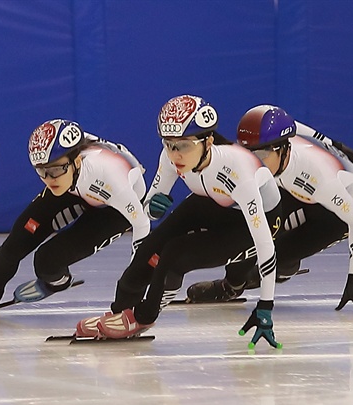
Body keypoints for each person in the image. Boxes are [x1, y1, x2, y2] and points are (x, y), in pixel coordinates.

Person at [80, 94, 283, 348]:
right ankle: (120, 310)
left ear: (208, 141)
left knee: (174, 254)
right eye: (169, 144)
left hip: (255, 219)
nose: (175, 154)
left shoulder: (239, 171)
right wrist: (153, 208)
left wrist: (266, 306)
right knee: (148, 249)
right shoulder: (170, 158)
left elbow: (265, 243)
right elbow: (151, 206)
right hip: (210, 201)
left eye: (184, 145)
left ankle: (144, 317)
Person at [185, 105, 353, 312]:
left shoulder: (318, 178)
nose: (253, 161)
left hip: (340, 209)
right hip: (298, 189)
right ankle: (233, 284)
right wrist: (338, 145)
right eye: (247, 153)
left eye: (261, 154)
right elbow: (296, 125)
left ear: (283, 149)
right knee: (250, 235)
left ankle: (284, 265)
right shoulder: (277, 143)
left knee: (273, 257)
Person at [0, 119, 148, 310]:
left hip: (115, 206)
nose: (48, 179)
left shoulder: (110, 178)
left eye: (53, 170)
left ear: (77, 160)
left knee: (47, 261)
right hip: (74, 186)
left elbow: (142, 225)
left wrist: (134, 285)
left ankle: (58, 281)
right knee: (16, 242)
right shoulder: (63, 171)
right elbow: (57, 172)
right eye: (41, 171)